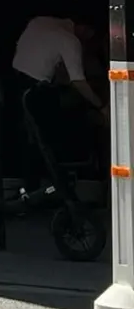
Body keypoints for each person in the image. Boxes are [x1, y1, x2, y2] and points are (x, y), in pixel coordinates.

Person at [12, 9, 107, 184]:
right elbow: (78, 81)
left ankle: (30, 187)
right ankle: (55, 185)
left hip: (15, 79)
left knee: (27, 138)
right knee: (45, 140)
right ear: (87, 30)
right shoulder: (70, 40)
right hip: (36, 89)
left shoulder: (40, 20)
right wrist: (101, 106)